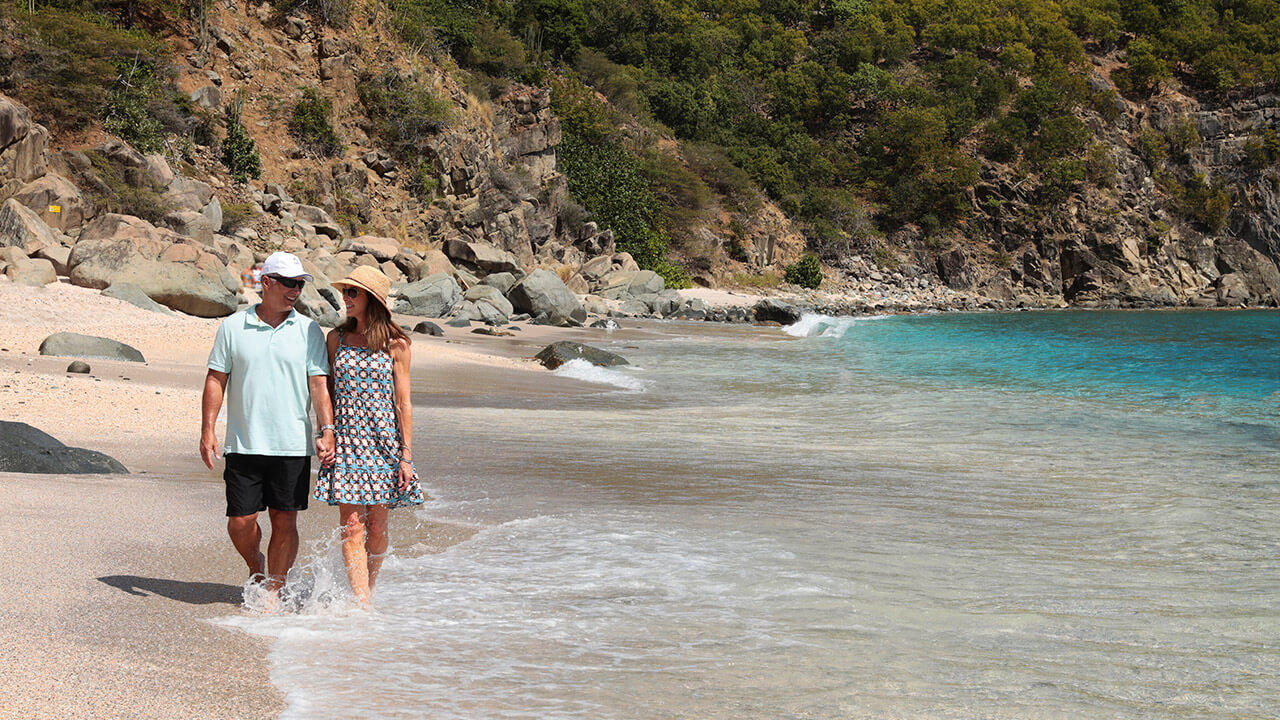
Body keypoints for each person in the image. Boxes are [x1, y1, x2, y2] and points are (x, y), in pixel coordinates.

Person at [200, 251, 336, 601]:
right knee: (240, 522)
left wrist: (327, 429)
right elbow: (216, 378)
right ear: (267, 283)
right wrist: (207, 429)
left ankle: (274, 589)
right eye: (289, 283)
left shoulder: (309, 330)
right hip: (243, 443)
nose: (295, 291)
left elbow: (319, 384)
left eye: (300, 284)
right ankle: (255, 565)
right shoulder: (233, 326)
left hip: (291, 444)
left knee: (284, 521)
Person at [313, 265, 424, 606]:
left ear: (371, 299)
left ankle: (369, 588)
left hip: (383, 443)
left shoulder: (397, 344)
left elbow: (403, 402)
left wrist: (406, 455)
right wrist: (325, 433)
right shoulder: (337, 338)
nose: (344, 298)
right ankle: (361, 604)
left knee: (376, 527)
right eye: (344, 292)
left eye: (351, 292)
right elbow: (327, 390)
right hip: (346, 441)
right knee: (351, 526)